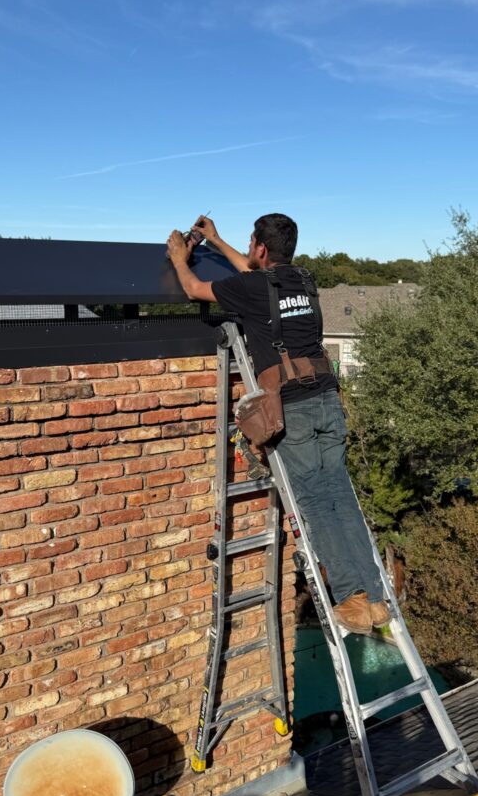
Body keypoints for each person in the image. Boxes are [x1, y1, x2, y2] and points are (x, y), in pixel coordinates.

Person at [166, 213, 389, 634]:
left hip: (295, 408)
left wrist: (181, 256)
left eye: (252, 245)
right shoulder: (302, 280)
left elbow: (195, 290)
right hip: (326, 397)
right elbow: (253, 278)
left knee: (317, 502)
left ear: (261, 248)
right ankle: (375, 596)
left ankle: (353, 602)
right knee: (340, 494)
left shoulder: (253, 286)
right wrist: (215, 241)